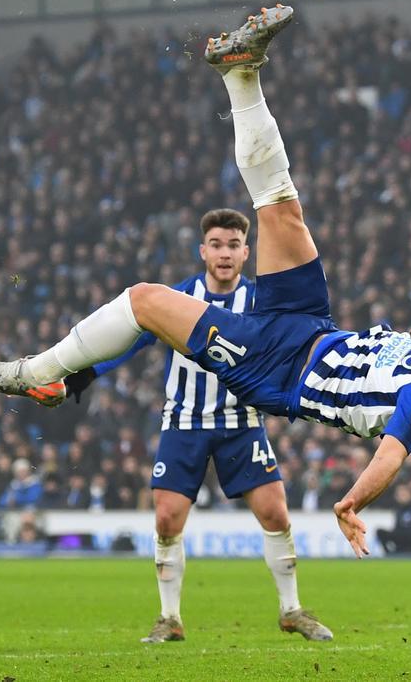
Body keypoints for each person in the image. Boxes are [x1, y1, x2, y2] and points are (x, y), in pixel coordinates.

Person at [0, 4, 411, 559]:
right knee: (280, 207)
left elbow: (393, 452)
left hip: (276, 367)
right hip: (311, 325)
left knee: (144, 300)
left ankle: (38, 374)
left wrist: (351, 503)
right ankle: (240, 72)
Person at [64, 207, 332, 642]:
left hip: (241, 421)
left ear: (246, 253)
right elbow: (133, 339)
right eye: (216, 245)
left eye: (233, 245)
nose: (224, 253)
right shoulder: (180, 298)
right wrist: (89, 371)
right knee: (167, 518)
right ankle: (169, 618)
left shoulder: (261, 304)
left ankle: (291, 610)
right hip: (184, 419)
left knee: (275, 512)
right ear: (202, 251)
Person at [375, 483, 411, 556]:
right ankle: (388, 554)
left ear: (410, 495)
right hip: (400, 537)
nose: (401, 497)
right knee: (380, 531)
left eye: (404, 494)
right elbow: (396, 528)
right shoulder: (398, 510)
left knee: (405, 534)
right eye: (399, 495)